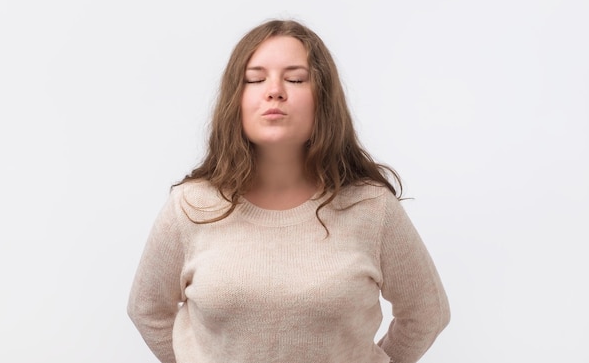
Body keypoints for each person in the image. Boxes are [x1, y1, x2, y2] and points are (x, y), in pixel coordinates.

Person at [127, 19, 450, 363]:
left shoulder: (372, 207)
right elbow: (147, 310)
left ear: (323, 99)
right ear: (235, 98)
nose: (274, 90)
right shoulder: (190, 206)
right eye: (255, 79)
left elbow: (427, 314)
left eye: (295, 79)